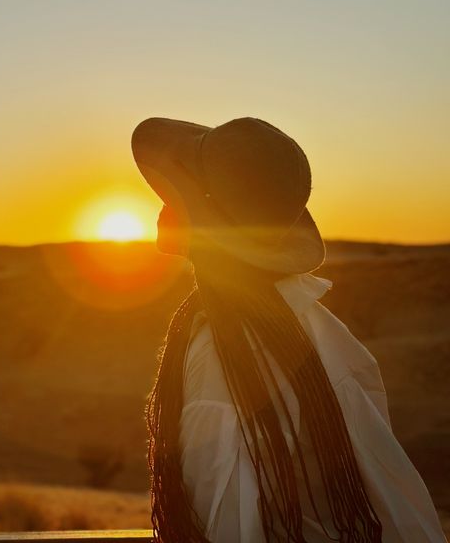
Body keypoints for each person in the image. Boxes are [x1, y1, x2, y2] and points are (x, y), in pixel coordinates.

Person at [131, 116, 447, 543]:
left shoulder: (227, 353)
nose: (162, 204)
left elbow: (225, 523)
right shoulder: (310, 326)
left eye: (175, 193)